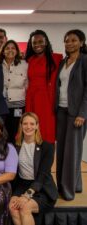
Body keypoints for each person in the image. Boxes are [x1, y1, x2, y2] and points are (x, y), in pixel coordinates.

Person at [9, 112, 58, 225]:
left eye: (32, 123)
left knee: (25, 208)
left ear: (37, 126)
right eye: (25, 123)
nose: (28, 127)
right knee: (12, 207)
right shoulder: (15, 146)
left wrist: (27, 195)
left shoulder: (47, 147)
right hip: (22, 185)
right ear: (21, 126)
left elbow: (42, 175)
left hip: (42, 188)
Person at [55, 29, 87, 200]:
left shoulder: (84, 61)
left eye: (74, 40)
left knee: (72, 153)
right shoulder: (63, 62)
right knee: (61, 151)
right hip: (61, 110)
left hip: (76, 114)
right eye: (67, 40)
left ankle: (67, 191)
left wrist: (82, 113)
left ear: (81, 42)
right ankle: (71, 184)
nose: (69, 43)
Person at [25, 30, 62, 144]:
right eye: (34, 42)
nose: (37, 45)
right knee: (31, 127)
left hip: (47, 98)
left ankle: (46, 157)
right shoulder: (29, 60)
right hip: (31, 98)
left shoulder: (57, 58)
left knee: (47, 129)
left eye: (40, 41)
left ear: (46, 42)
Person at [0, 40, 28, 143]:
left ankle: (14, 155)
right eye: (7, 48)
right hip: (1, 105)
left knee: (16, 132)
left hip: (18, 105)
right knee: (2, 131)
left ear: (17, 51)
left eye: (13, 48)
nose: (10, 50)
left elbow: (27, 84)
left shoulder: (24, 65)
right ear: (3, 51)